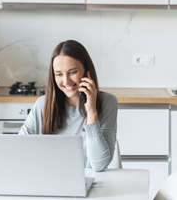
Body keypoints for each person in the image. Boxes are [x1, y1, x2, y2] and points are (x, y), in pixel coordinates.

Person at [19, 40, 118, 172]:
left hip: (89, 183)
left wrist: (92, 112)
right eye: (59, 74)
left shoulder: (107, 102)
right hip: (48, 180)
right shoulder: (42, 104)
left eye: (72, 72)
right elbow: (19, 148)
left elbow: (99, 165)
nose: (66, 81)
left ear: (86, 72)